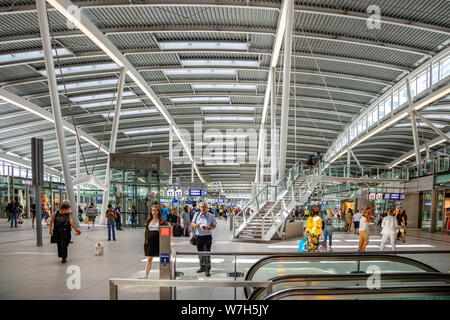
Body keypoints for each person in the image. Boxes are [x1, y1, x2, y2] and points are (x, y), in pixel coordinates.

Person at [141, 205, 168, 279]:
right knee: (149, 258)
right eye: (153, 210)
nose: (154, 212)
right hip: (150, 242)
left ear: (158, 211)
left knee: (162, 258)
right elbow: (147, 231)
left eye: (156, 210)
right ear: (151, 211)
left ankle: (164, 274)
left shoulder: (162, 221)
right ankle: (146, 275)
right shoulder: (148, 221)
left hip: (159, 242)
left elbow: (166, 231)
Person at [191, 202, 217, 277]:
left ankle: (207, 269)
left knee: (207, 253)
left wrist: (209, 228)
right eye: (201, 207)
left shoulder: (211, 216)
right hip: (198, 236)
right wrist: (196, 225)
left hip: (207, 237)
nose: (203, 208)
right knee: (200, 253)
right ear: (199, 207)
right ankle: (202, 267)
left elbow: (214, 225)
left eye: (204, 207)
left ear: (207, 208)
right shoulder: (196, 215)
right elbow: (192, 223)